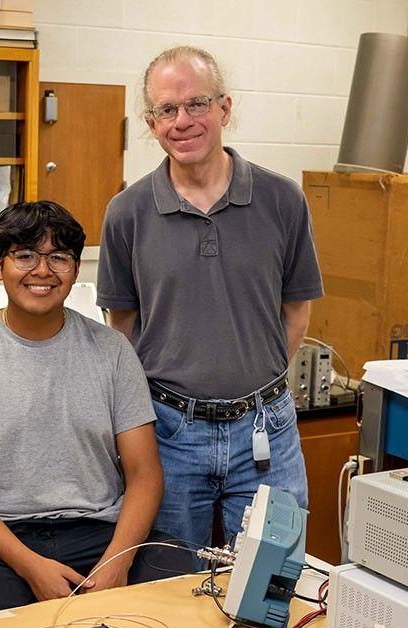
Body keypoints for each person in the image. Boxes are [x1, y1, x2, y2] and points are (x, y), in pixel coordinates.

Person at [0, 200, 194, 622]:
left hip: (102, 532)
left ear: (76, 270)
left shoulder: (113, 352)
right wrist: (31, 567)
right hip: (1, 542)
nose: (41, 271)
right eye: (24, 255)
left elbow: (144, 473)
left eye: (58, 258)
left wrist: (116, 563)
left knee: (185, 601)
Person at [97, 46, 324, 550]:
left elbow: (296, 312)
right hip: (168, 436)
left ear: (225, 108)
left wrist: (250, 391)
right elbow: (124, 329)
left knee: (273, 585)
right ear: (151, 123)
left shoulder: (283, 200)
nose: (182, 121)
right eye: (166, 110)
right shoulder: (127, 213)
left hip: (268, 431)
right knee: (167, 591)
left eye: (196, 104)